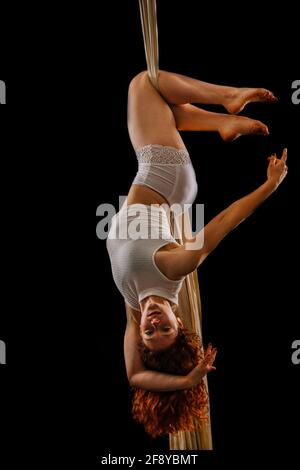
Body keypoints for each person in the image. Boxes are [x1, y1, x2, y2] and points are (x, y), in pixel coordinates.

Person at [106, 70, 287, 436]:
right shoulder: (174, 269)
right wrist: (270, 186)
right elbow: (224, 221)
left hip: (157, 178)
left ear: (141, 336)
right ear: (179, 321)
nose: (153, 321)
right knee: (144, 84)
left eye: (150, 332)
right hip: (165, 174)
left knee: (164, 106)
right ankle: (229, 97)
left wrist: (188, 380)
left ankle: (224, 121)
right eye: (166, 328)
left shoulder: (133, 307)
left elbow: (135, 374)